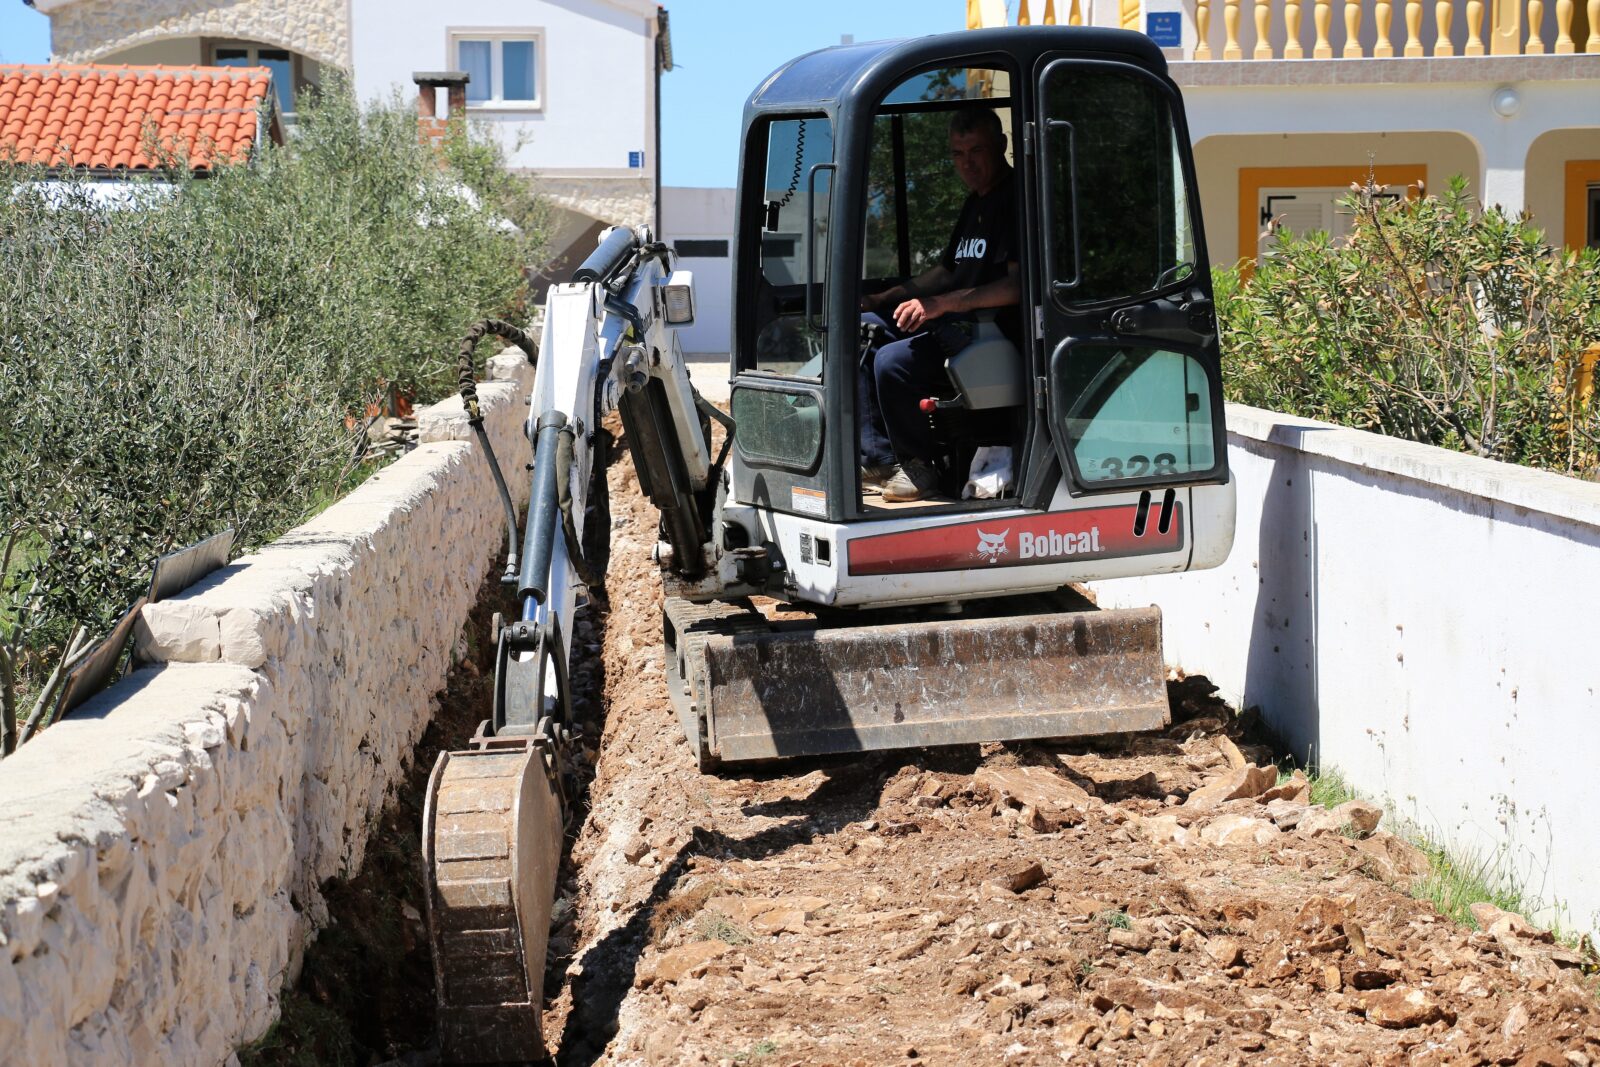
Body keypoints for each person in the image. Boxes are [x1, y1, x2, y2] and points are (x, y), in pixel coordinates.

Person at [859, 106, 1022, 502]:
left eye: (977, 151)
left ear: (1001, 146)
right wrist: (885, 298)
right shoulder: (975, 203)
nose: (967, 163)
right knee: (865, 327)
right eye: (958, 154)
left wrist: (940, 305)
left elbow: (1016, 286)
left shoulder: (1015, 199)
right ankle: (880, 458)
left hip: (990, 333)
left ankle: (921, 468)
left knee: (892, 362)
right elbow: (948, 271)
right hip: (954, 323)